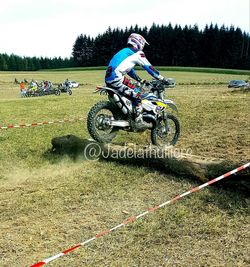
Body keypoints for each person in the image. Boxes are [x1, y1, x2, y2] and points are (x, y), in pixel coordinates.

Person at [105, 33, 169, 129]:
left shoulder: (124, 52)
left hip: (109, 79)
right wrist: (162, 78)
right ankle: (138, 121)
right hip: (117, 78)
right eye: (143, 43)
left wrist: (140, 80)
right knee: (138, 93)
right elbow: (149, 67)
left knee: (130, 94)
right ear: (138, 42)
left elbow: (129, 70)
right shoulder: (138, 53)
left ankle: (127, 115)